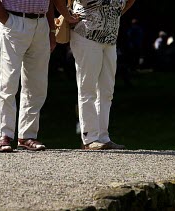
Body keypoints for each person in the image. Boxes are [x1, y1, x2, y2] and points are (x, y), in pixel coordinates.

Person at [0, 0, 79, 152]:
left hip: (40, 23)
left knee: (36, 84)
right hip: (12, 20)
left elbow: (49, 2)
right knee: (8, 82)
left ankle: (27, 136)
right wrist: (7, 21)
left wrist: (51, 30)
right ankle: (4, 135)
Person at [70, 0, 135, 150]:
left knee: (106, 91)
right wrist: (67, 16)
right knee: (88, 88)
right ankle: (89, 138)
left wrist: (114, 15)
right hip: (86, 34)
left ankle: (103, 137)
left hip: (110, 38)